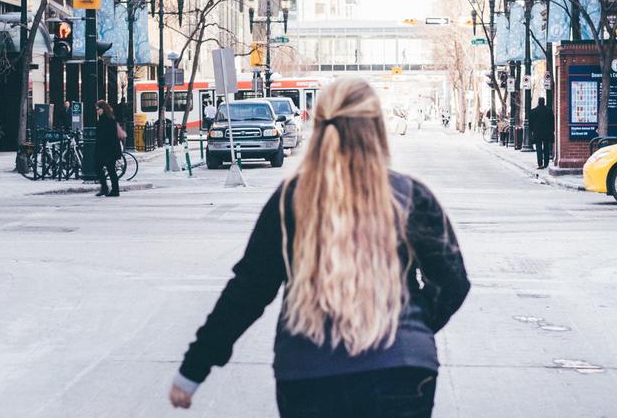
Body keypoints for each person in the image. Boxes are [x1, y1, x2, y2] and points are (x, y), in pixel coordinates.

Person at [170, 78, 470, 417]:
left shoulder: (291, 200)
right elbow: (453, 281)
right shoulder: (410, 196)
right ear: (377, 127)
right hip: (401, 372)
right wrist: (413, 322)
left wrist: (193, 370)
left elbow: (248, 291)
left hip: (309, 374)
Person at [95, 100, 122, 198]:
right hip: (106, 149)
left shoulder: (108, 119)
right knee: (101, 167)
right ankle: (106, 188)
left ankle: (113, 190)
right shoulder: (105, 118)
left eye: (98, 109)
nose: (97, 111)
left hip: (109, 149)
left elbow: (110, 136)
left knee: (110, 169)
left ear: (103, 109)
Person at [527, 97, 555, 169]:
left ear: (538, 102)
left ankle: (540, 164)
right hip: (547, 133)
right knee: (546, 148)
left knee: (538, 148)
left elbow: (530, 123)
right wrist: (552, 131)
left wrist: (532, 131)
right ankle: (546, 163)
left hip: (537, 133)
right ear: (544, 102)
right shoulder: (549, 111)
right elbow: (552, 122)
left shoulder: (533, 111)